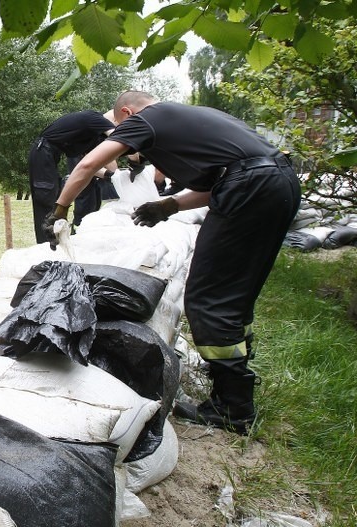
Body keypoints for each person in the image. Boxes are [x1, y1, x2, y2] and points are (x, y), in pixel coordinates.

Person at [44, 90, 301, 435]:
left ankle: (233, 407)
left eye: (122, 128)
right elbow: (231, 178)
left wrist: (60, 209)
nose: (130, 143)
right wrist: (170, 206)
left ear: (126, 113)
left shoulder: (146, 118)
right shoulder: (196, 120)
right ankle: (236, 393)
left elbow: (89, 164)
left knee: (207, 295)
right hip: (278, 183)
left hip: (253, 187)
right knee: (236, 291)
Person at [28, 110, 118, 242]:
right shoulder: (95, 118)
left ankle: (55, 242)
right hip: (43, 152)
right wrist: (135, 160)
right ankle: (46, 246)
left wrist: (112, 176)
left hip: (50, 155)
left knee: (53, 198)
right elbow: (120, 138)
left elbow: (88, 164)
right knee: (46, 199)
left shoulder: (90, 134)